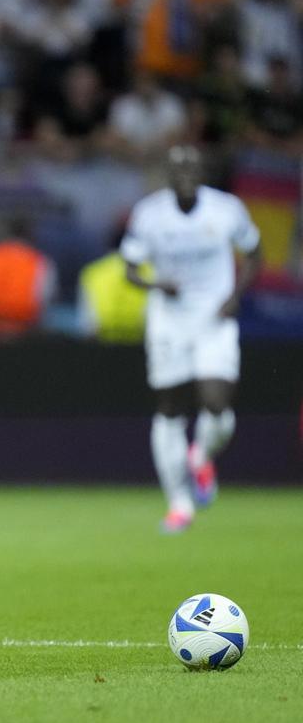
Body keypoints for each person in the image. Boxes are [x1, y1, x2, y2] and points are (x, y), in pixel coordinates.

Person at [121, 145, 262, 533]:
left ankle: (200, 454)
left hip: (215, 316)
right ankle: (179, 504)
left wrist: (235, 298)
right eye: (177, 168)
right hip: (168, 319)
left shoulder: (227, 209)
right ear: (168, 173)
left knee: (216, 402)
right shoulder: (149, 214)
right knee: (169, 409)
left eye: (192, 167)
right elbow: (129, 268)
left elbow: (254, 253)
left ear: (203, 171)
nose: (184, 173)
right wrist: (154, 282)